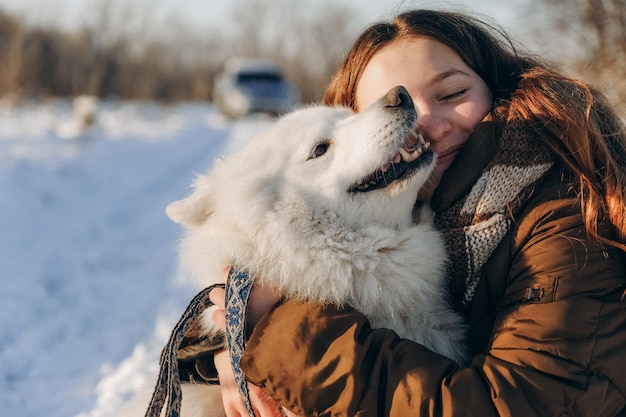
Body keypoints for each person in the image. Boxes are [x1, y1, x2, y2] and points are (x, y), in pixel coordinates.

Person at [206, 9, 626, 416]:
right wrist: (228, 352)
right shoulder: (415, 214)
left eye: (452, 94)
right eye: (394, 110)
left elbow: (516, 404)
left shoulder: (566, 210)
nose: (428, 128)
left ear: (497, 88)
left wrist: (279, 338)